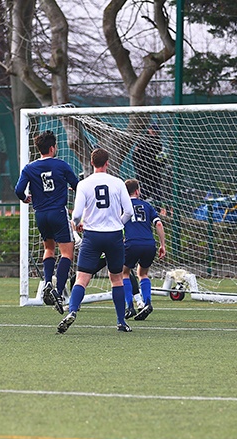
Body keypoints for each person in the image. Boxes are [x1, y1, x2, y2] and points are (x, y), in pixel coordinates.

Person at [57, 148, 134, 334]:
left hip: (92, 235)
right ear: (107, 163)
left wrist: (77, 224)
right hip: (114, 235)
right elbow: (129, 212)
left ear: (92, 163)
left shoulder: (84, 184)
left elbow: (76, 215)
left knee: (82, 278)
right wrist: (118, 223)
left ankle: (72, 310)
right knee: (117, 279)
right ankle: (121, 321)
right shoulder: (118, 183)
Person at [14, 130, 79, 314]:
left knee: (49, 248)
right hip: (58, 212)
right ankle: (58, 292)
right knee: (67, 253)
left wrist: (25, 198)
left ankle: (48, 282)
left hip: (41, 214)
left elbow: (18, 190)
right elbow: (77, 185)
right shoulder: (61, 165)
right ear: (52, 148)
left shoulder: (29, 168)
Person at [122, 179, 166, 321]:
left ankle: (129, 306)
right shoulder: (147, 205)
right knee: (143, 273)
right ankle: (147, 303)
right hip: (149, 244)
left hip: (132, 243)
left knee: (124, 273)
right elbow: (158, 224)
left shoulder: (122, 206)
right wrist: (162, 245)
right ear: (137, 191)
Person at [133, 123, 164, 204]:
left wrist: (160, 164)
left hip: (154, 173)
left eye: (155, 131)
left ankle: (158, 209)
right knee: (142, 193)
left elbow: (160, 158)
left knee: (157, 195)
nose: (154, 132)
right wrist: (139, 169)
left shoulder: (158, 143)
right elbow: (135, 157)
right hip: (143, 173)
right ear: (149, 130)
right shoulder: (143, 141)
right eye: (152, 130)